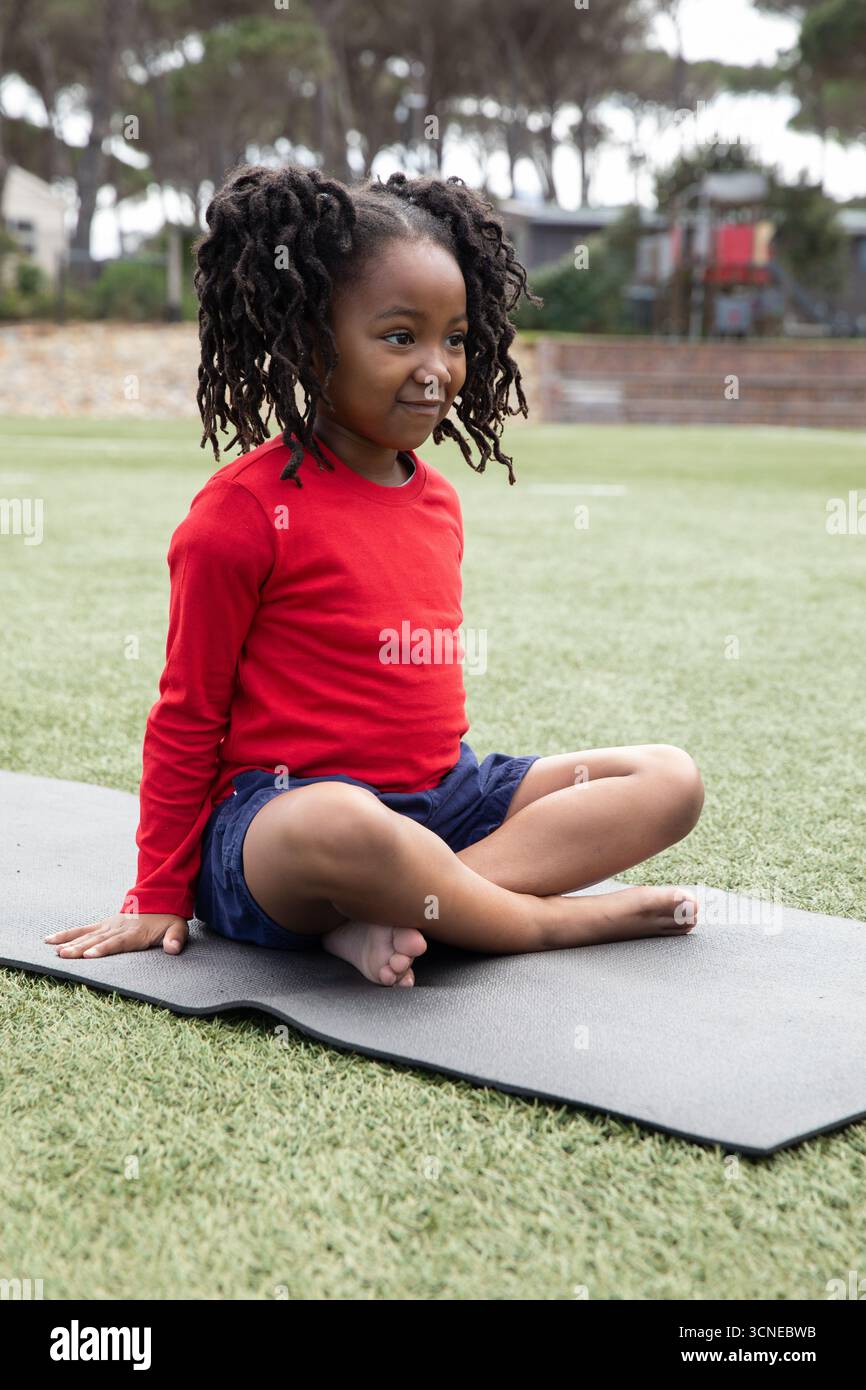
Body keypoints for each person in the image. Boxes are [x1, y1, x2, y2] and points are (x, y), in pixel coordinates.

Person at [45, 163, 704, 986]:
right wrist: (155, 891)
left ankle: (405, 907)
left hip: (447, 800)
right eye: (400, 338)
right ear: (310, 339)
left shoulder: (438, 502)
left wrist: (432, 840)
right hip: (283, 826)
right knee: (344, 823)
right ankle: (533, 922)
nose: (437, 368)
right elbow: (186, 715)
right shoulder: (239, 513)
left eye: (454, 339)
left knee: (669, 778)